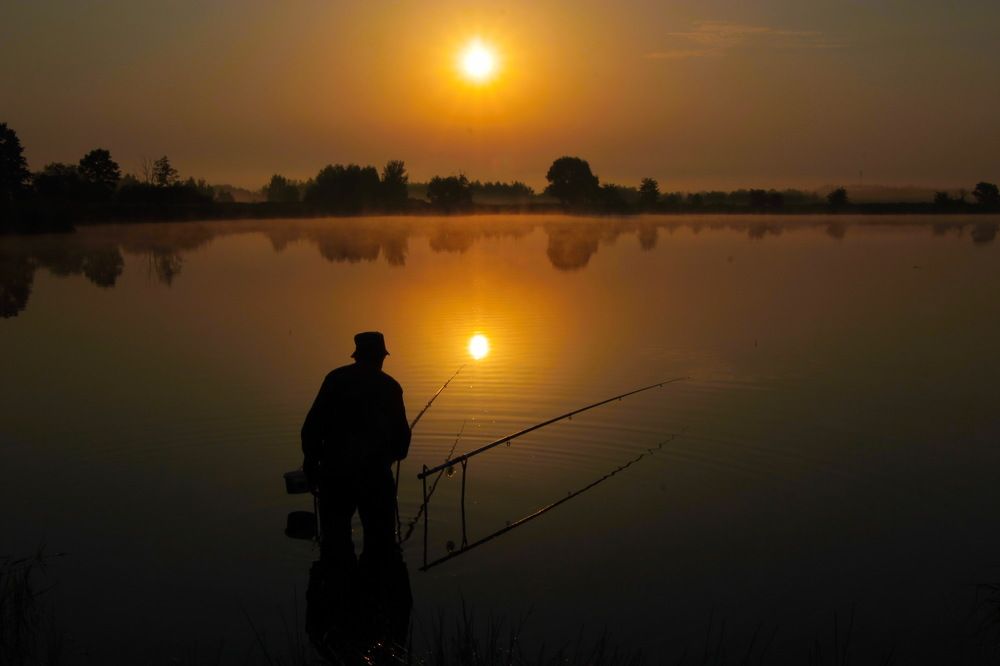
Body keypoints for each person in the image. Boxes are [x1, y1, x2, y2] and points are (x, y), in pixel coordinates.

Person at [301, 331, 411, 565]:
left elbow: (311, 428)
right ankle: (376, 595)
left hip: (334, 476)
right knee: (381, 548)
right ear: (380, 357)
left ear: (357, 356)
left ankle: (337, 592)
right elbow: (402, 443)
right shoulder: (390, 387)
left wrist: (311, 463)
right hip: (376, 479)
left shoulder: (334, 380)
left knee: (334, 545)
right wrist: (387, 458)